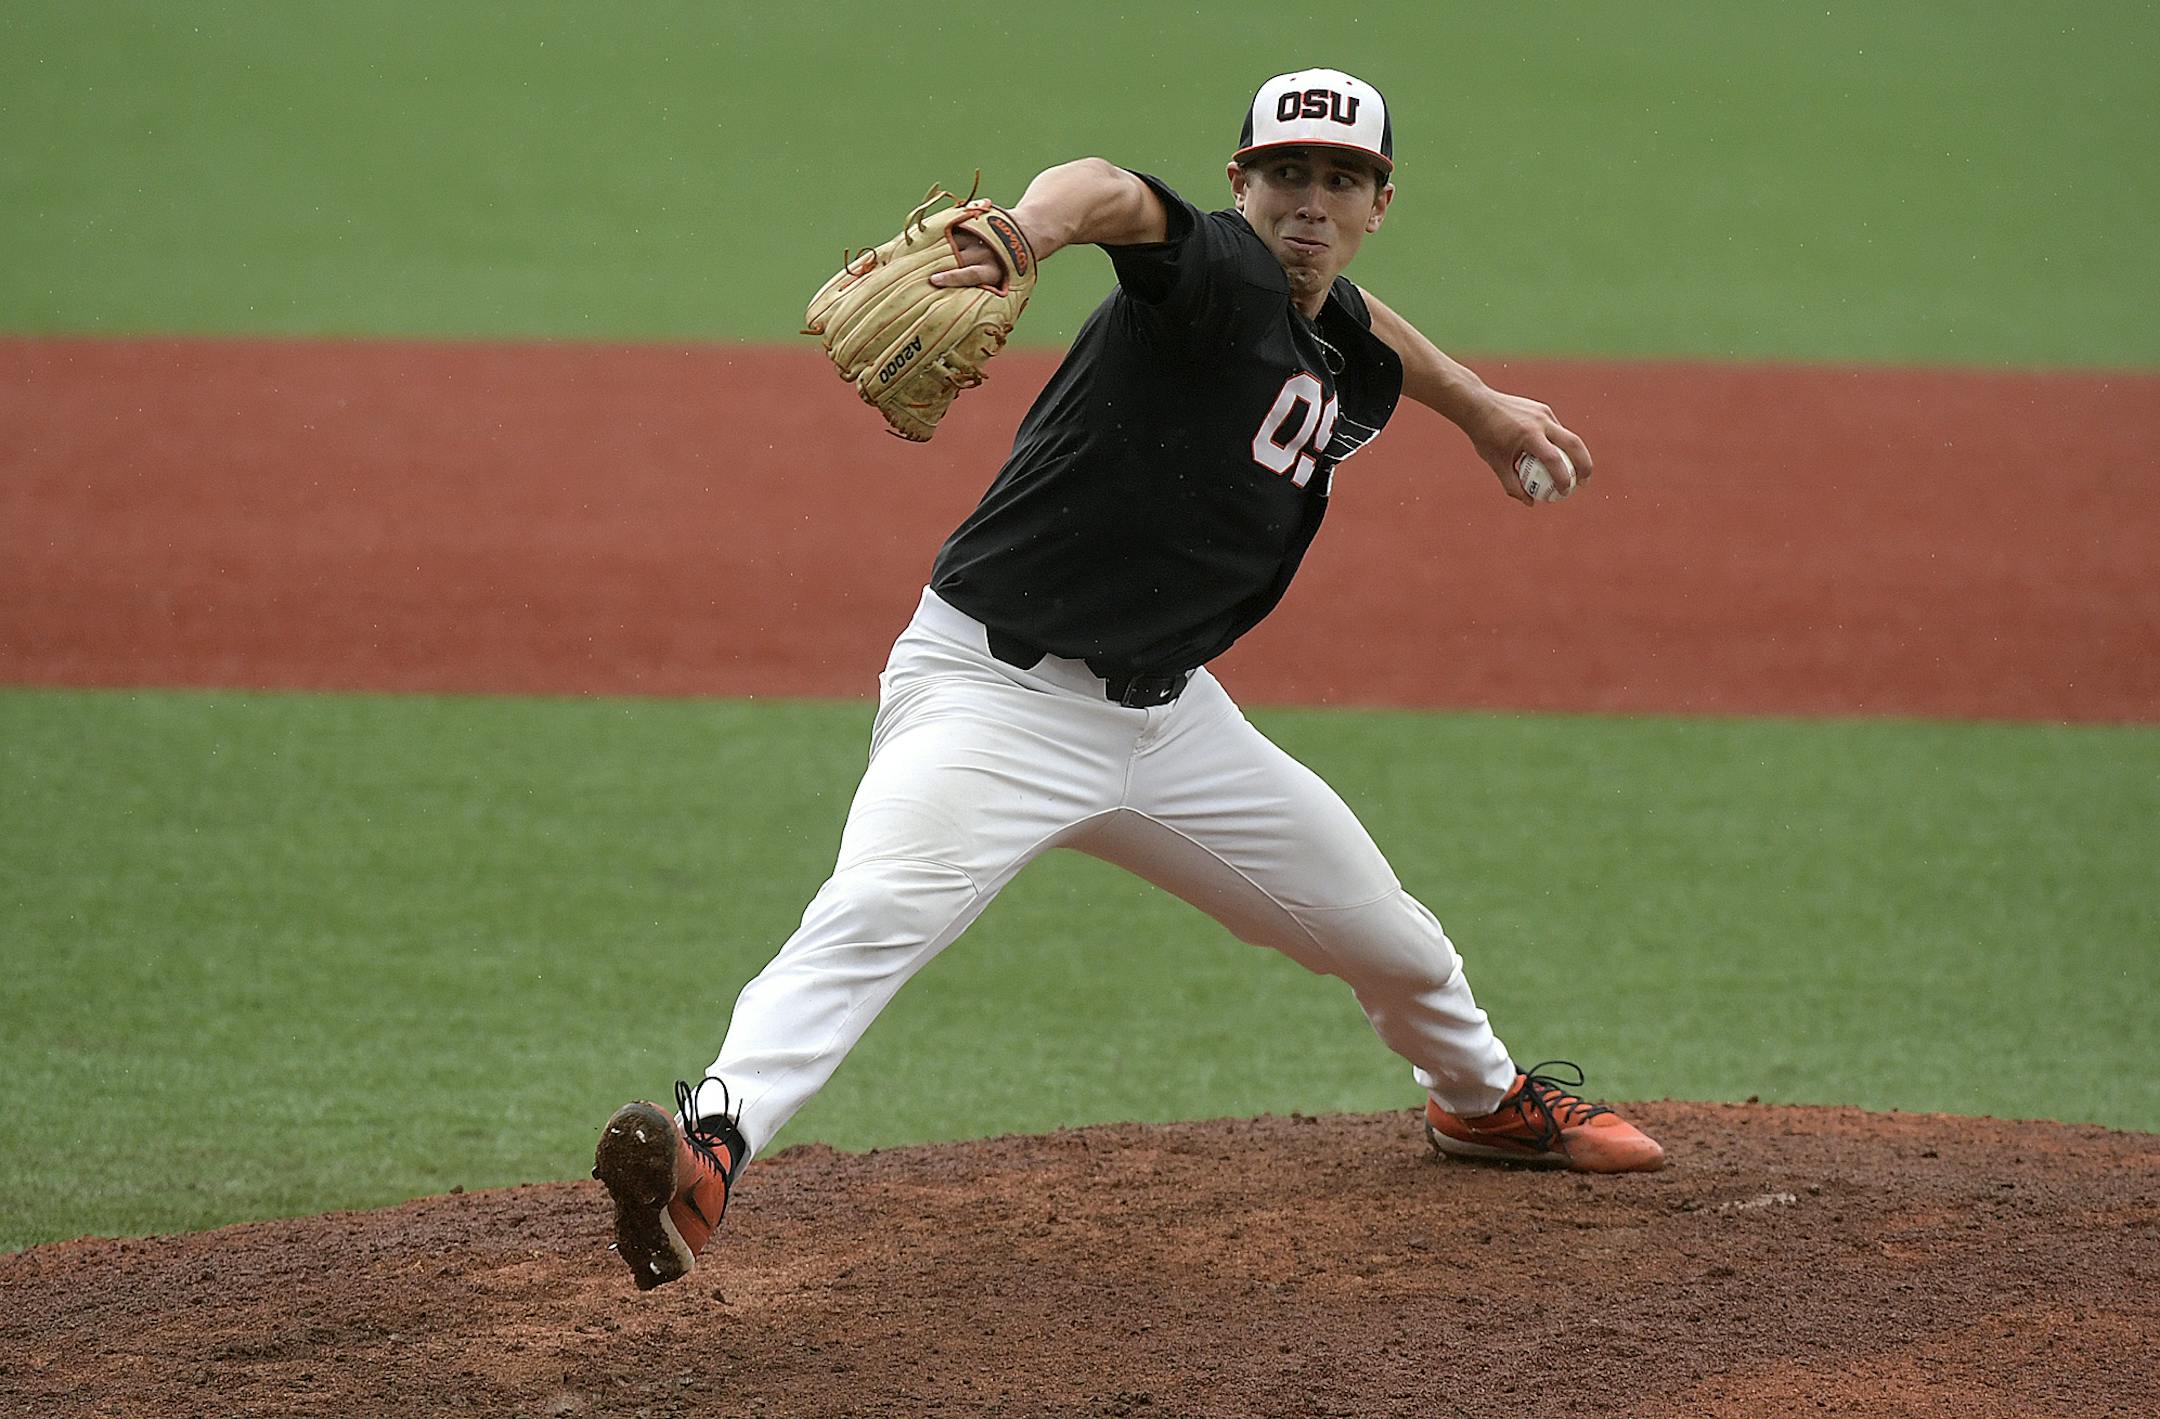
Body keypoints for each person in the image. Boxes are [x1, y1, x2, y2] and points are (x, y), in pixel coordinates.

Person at [593, 67, 1663, 1292]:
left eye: (1342, 181)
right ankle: (712, 1147)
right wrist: (1021, 233)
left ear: (1379, 201)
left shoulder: (1335, 328)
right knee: (872, 914)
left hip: (1173, 726)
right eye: (1286, 175)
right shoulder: (1212, 275)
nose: (1310, 203)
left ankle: (1477, 1105)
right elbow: (1103, 190)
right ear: (1239, 186)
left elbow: (1367, 324)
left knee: (1394, 940)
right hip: (993, 701)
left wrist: (1477, 409)